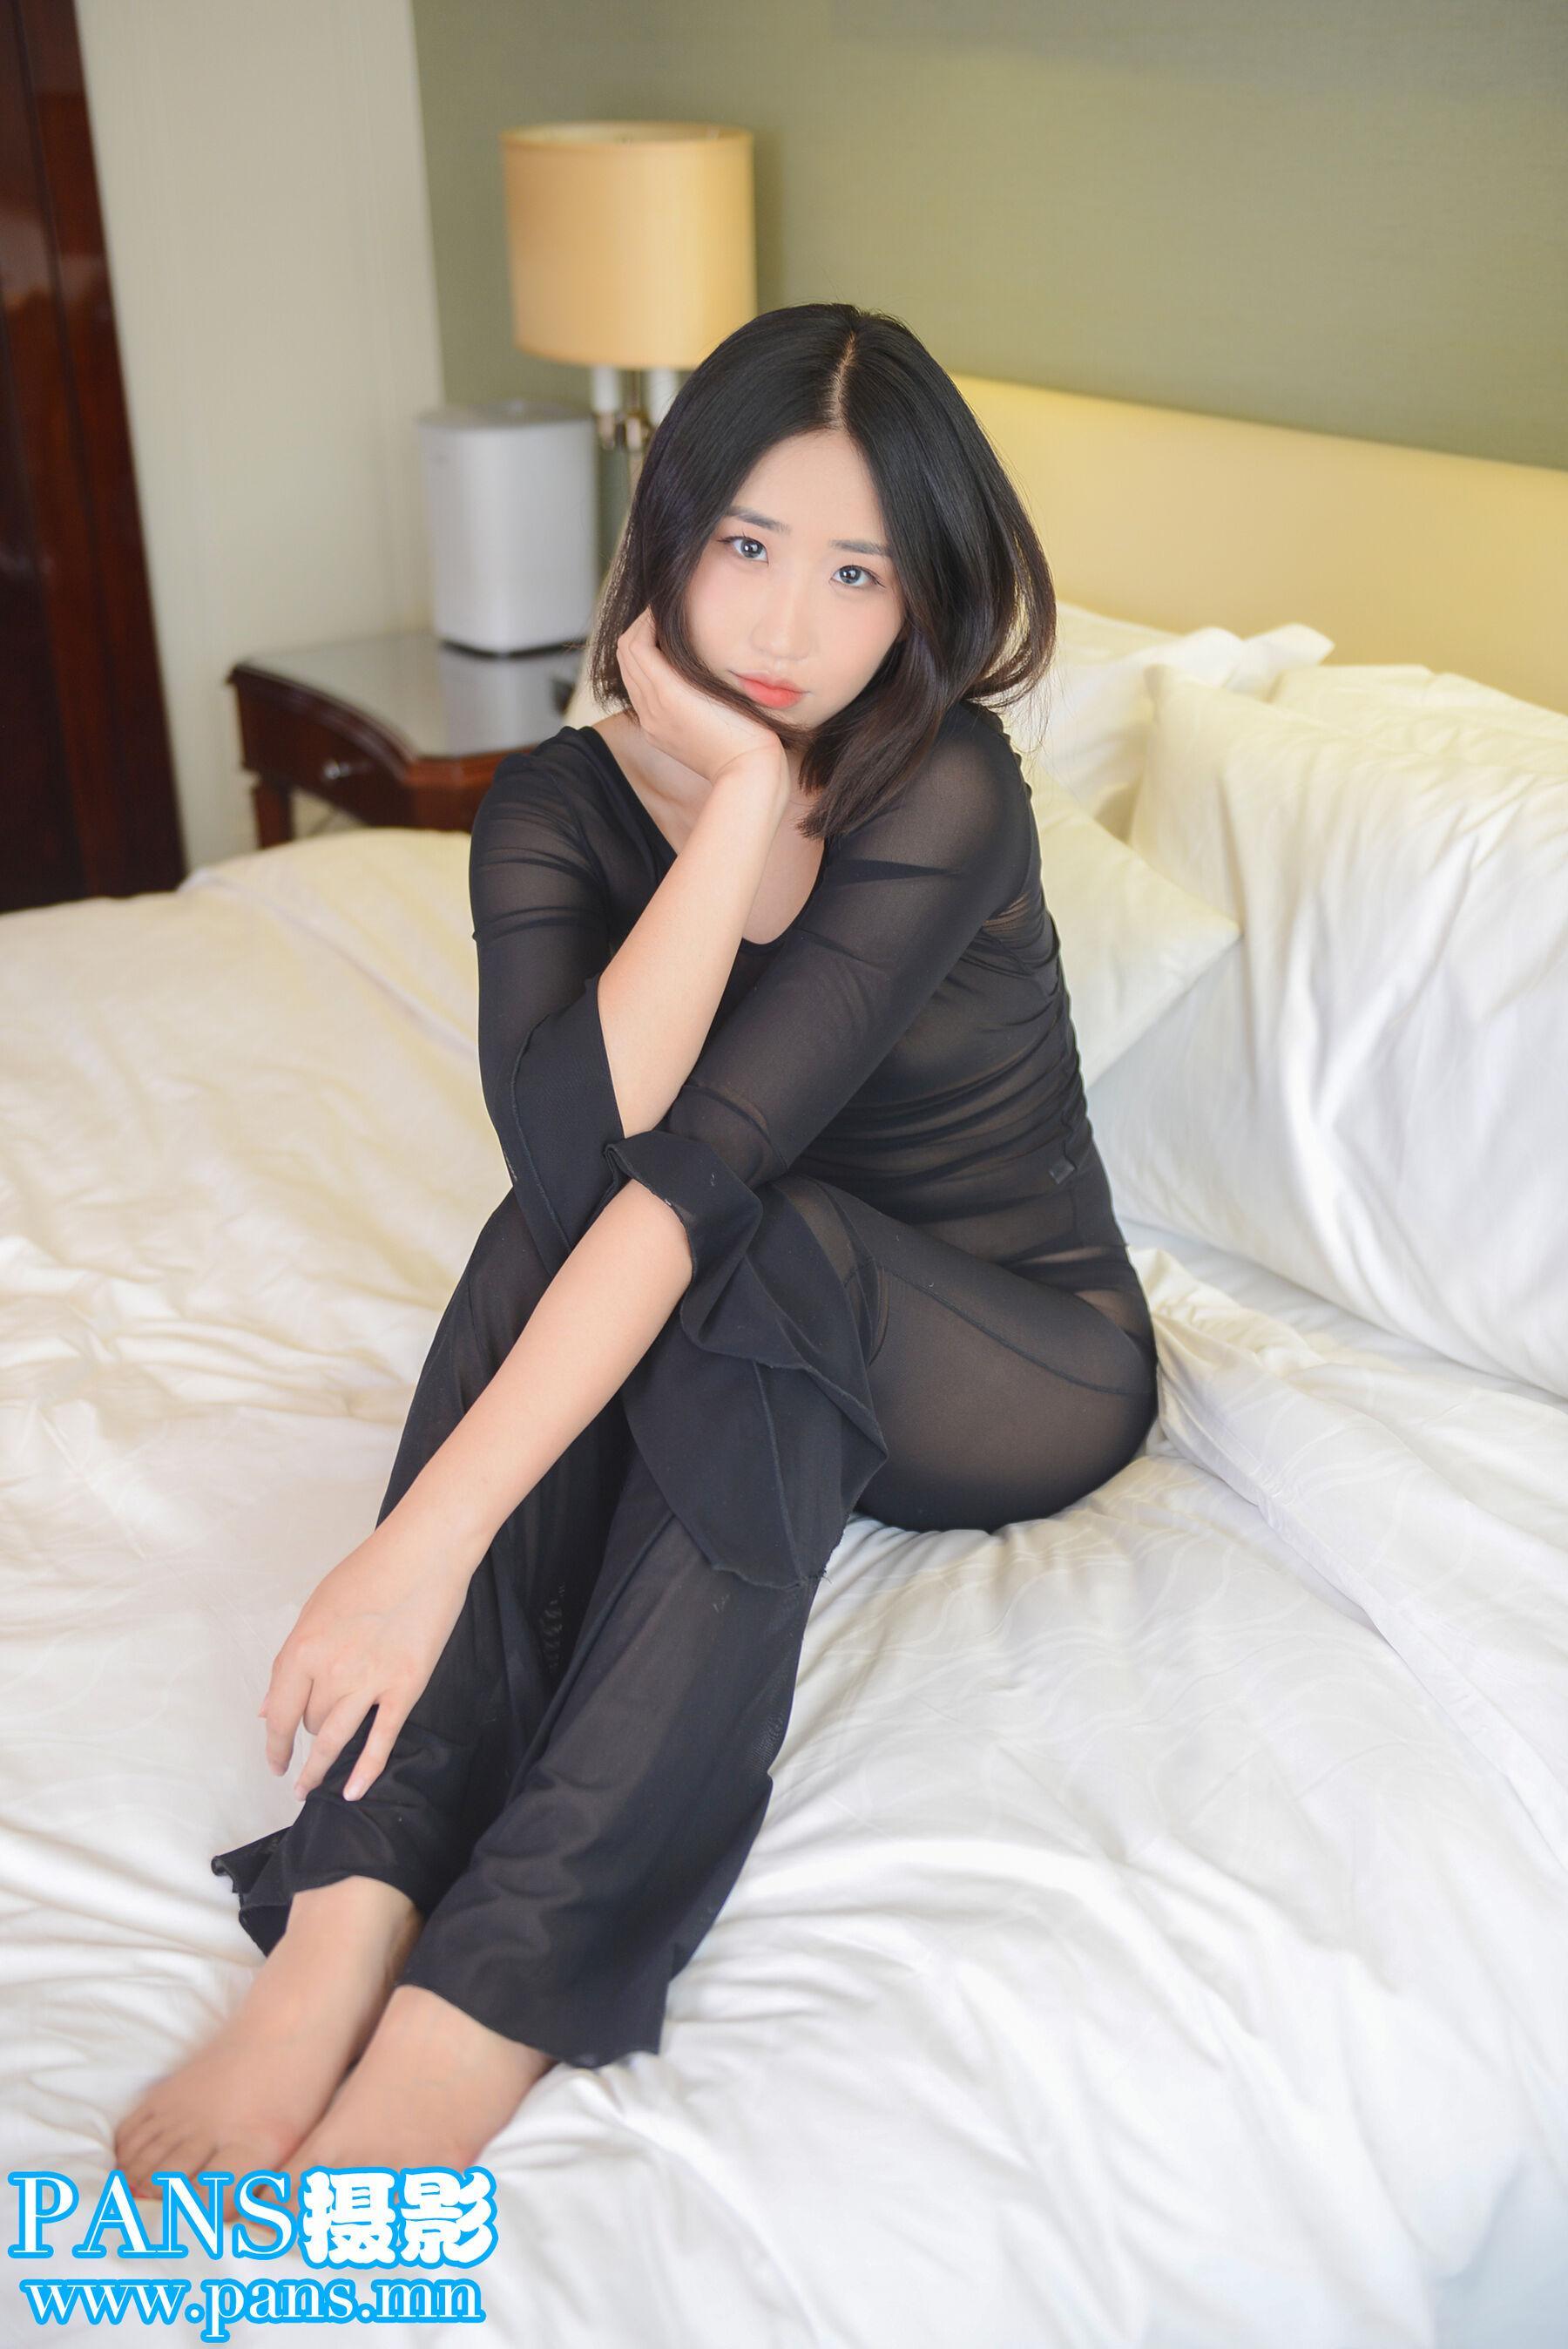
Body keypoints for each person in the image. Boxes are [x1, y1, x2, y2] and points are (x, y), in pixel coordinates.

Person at [113, 302, 1159, 2202]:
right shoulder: (550, 806)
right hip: (741, 1311)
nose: (784, 626)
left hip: (1013, 1356)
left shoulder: (945, 789)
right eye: (747, 543)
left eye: (856, 573)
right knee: (581, 1233)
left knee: (776, 1238)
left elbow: (702, 1187)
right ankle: (346, 1918)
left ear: (921, 597)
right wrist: (725, 819)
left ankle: (495, 1989)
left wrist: (420, 1546)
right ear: (667, 528)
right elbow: (578, 1167)